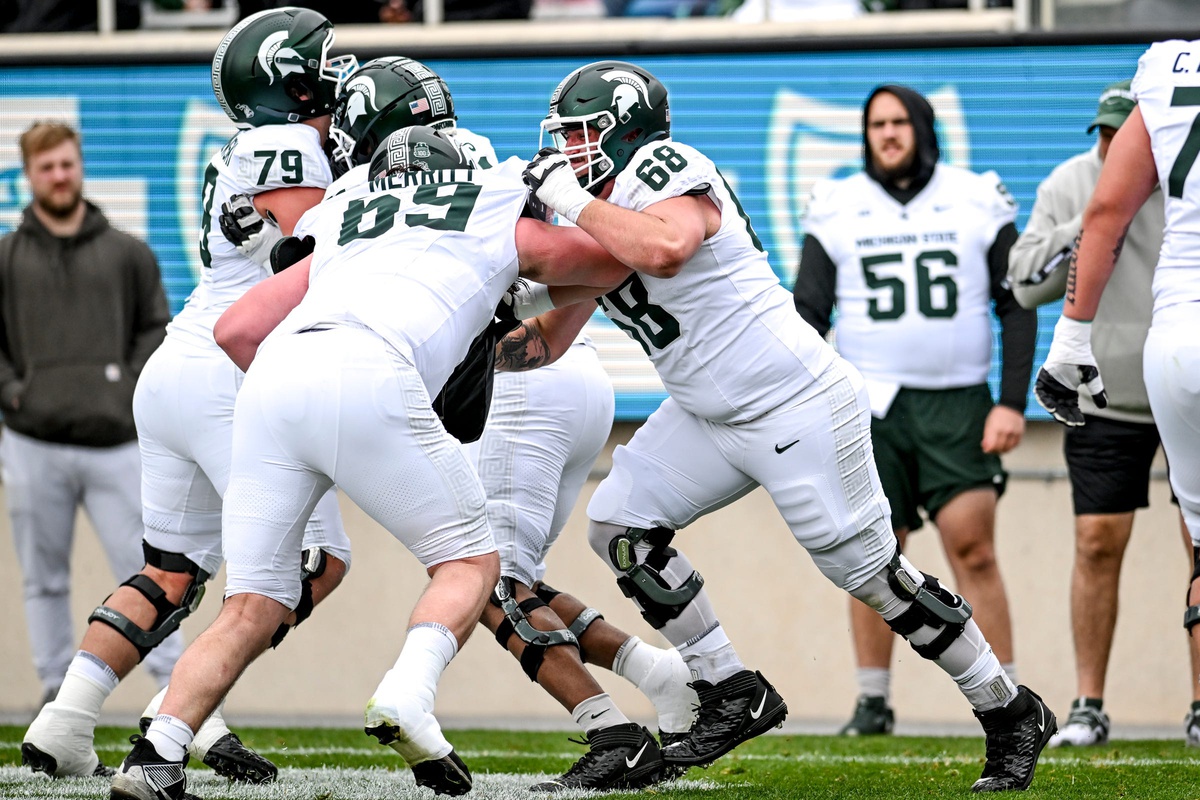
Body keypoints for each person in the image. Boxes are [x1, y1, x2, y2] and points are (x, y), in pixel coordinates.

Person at [511, 59, 1055, 791]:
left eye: (583, 135)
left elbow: (666, 247)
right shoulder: (602, 211)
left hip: (791, 401)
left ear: (627, 132)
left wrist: (567, 200)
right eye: (565, 139)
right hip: (707, 412)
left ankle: (1008, 707)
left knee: (871, 576)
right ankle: (730, 689)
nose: (570, 153)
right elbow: (548, 336)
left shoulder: (664, 169)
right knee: (618, 525)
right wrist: (473, 357)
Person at [109, 124, 634, 800]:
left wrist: (304, 425)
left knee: (251, 602)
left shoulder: (345, 214)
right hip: (368, 369)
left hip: (272, 379)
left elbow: (236, 329)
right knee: (471, 562)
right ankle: (408, 694)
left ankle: (156, 753)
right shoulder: (490, 204)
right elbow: (613, 262)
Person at [321, 56, 696, 791]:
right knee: (515, 581)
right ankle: (659, 672)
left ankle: (612, 732)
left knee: (489, 585)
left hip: (521, 382)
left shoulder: (388, 181)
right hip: (569, 375)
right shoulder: (484, 159)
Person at [20, 8, 356, 783]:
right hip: (231, 372)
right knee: (316, 561)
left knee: (171, 571)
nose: (334, 74)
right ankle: (179, 710)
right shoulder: (291, 144)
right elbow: (316, 254)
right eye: (322, 62)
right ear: (285, 77)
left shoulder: (254, 144)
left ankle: (65, 720)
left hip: (180, 364)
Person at [792, 84, 1034, 736]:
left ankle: (1007, 696)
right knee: (875, 556)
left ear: (922, 128)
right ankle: (873, 701)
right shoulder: (839, 202)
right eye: (876, 124)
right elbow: (808, 314)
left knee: (973, 551)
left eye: (900, 122)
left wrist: (1012, 400)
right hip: (866, 404)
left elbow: (1016, 304)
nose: (888, 134)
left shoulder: (975, 195)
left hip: (957, 401)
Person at [1035, 43, 1200, 747]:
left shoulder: (1169, 67)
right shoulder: (1068, 179)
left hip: (1178, 338)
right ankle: (1094, 703)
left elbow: (1107, 211)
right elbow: (1086, 223)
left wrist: (1068, 344)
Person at [0, 121, 172, 730]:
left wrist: (123, 388)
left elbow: (156, 329)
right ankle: (54, 690)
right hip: (31, 442)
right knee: (43, 577)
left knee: (149, 570)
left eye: (67, 164)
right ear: (29, 175)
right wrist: (14, 393)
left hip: (115, 445)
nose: (59, 176)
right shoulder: (5, 257)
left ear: (80, 166)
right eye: (47, 168)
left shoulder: (128, 253)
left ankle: (174, 690)